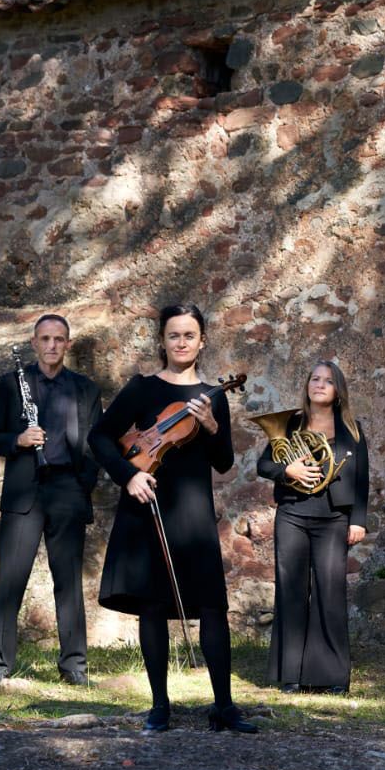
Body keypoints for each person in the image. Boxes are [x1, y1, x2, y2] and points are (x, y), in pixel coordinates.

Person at [89, 303, 255, 734]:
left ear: (202, 341)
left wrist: (213, 427)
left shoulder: (213, 396)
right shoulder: (142, 388)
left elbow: (223, 463)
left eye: (189, 335)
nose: (181, 342)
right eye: (173, 335)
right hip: (149, 503)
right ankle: (159, 705)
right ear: (162, 341)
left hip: (194, 512)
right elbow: (100, 437)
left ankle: (224, 706)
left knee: (213, 607)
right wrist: (128, 476)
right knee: (153, 606)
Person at [0, 314, 104, 687]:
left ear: (68, 344)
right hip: (24, 493)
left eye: (59, 339)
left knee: (68, 582)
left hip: (67, 489)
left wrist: (83, 488)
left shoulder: (85, 389)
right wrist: (17, 440)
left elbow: (95, 445)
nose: (52, 345)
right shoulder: (11, 385)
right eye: (45, 339)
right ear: (34, 343)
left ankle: (74, 667)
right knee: (11, 580)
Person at [259, 360, 370, 694]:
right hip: (293, 513)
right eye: (315, 379)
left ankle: (331, 676)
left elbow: (362, 476)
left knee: (330, 593)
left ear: (338, 391)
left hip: (334, 518)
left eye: (328, 381)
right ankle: (291, 674)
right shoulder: (290, 424)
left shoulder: (352, 428)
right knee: (291, 591)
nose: (320, 384)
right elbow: (264, 464)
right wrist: (288, 471)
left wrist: (359, 520)